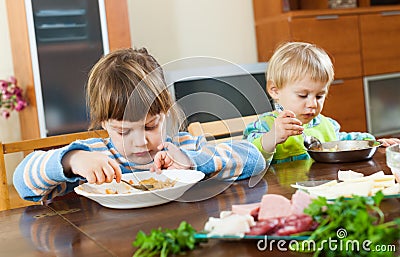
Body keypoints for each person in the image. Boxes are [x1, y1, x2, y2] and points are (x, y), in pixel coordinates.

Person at [13, 48, 266, 202]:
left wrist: (192, 163)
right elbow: (22, 182)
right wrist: (72, 160)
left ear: (165, 114)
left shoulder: (183, 147)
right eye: (123, 131)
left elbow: (255, 159)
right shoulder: (94, 157)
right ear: (104, 123)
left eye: (150, 126)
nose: (140, 141)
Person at [243, 42, 400, 164]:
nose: (312, 104)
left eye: (319, 96)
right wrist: (273, 137)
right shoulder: (265, 125)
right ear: (275, 90)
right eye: (303, 95)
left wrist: (374, 143)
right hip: (281, 196)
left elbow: (343, 143)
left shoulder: (326, 125)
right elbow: (248, 158)